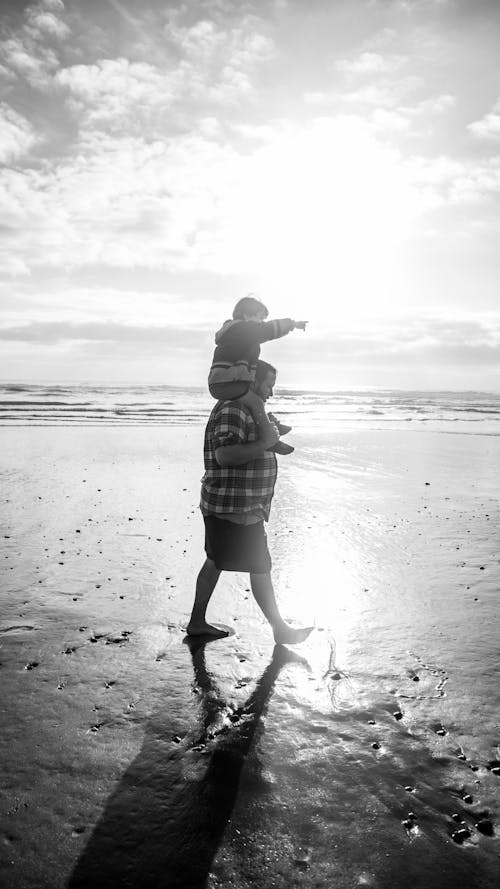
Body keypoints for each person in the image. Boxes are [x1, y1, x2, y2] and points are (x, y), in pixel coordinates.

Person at [187, 359, 313, 645]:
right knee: (259, 566)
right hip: (234, 506)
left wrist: (271, 434)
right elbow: (225, 455)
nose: (270, 392)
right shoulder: (234, 408)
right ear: (253, 379)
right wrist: (265, 443)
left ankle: (197, 622)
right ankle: (280, 629)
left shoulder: (245, 408)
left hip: (237, 504)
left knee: (217, 561)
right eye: (268, 385)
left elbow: (246, 445)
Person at [208, 295, 307, 455]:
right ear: (246, 315)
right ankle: (270, 439)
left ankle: (268, 427)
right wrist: (291, 324)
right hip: (226, 383)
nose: (261, 322)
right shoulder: (241, 329)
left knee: (253, 405)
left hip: (226, 381)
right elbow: (267, 331)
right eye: (260, 317)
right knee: (256, 403)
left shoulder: (238, 334)